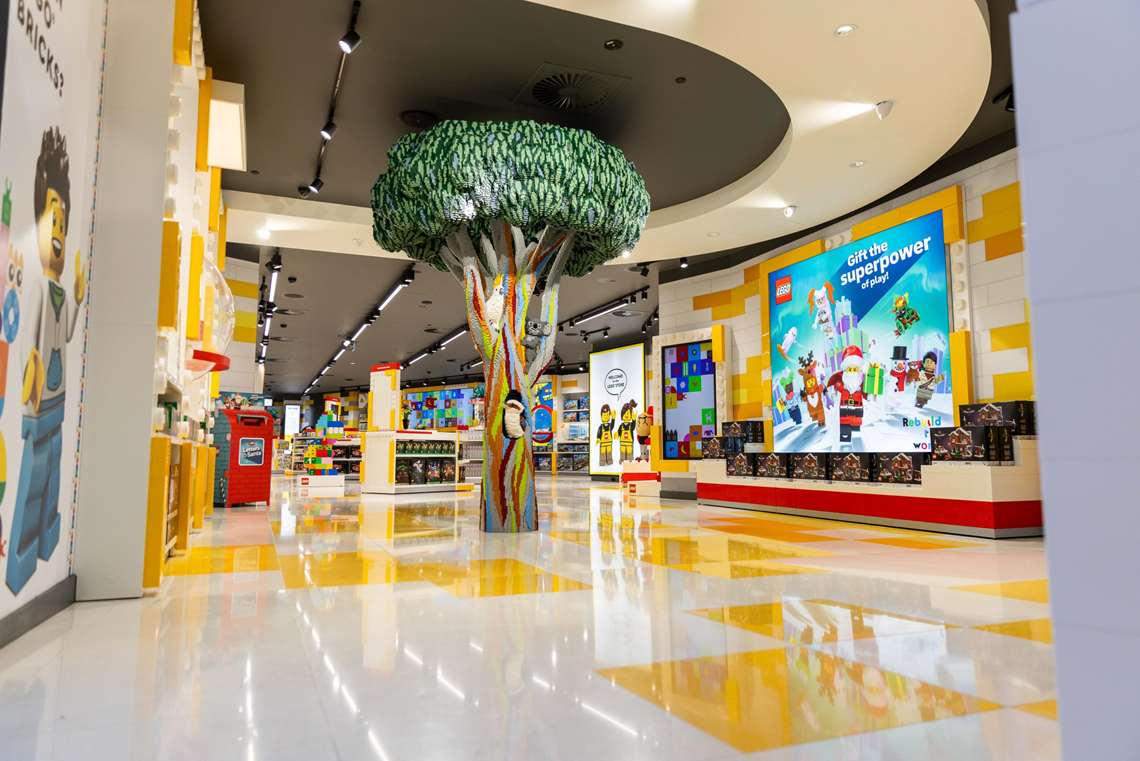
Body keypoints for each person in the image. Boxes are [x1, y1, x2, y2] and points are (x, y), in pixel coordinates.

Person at [7, 127, 86, 595]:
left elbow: (68, 330)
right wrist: (27, 381)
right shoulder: (37, 289)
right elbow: (27, 343)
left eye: (63, 222)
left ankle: (48, 536)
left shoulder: (56, 292)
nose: (57, 232)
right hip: (40, 401)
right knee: (34, 475)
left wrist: (76, 295)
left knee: (53, 475)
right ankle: (22, 554)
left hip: (56, 400)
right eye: (51, 220)